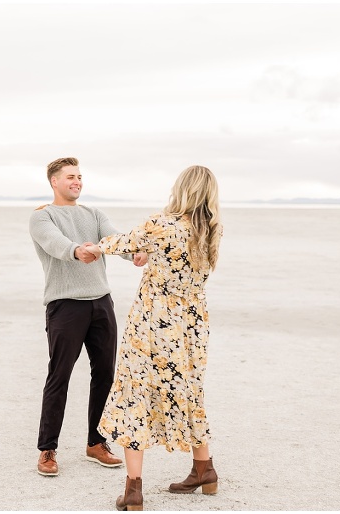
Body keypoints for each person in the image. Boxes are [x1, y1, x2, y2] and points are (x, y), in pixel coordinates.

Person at [87, 165, 222, 511]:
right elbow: (173, 258)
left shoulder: (161, 224)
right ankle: (204, 469)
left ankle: (133, 489)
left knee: (136, 396)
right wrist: (150, 254)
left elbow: (123, 243)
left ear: (182, 189)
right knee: (189, 391)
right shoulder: (211, 231)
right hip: (192, 326)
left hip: (153, 325)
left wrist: (95, 246)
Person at [29, 156, 148, 477]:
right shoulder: (42, 217)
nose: (77, 181)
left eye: (79, 176)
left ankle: (96, 443)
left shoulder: (93, 214)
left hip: (101, 303)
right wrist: (76, 250)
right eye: (70, 177)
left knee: (106, 375)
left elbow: (113, 239)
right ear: (54, 181)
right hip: (65, 305)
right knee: (59, 376)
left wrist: (133, 251)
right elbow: (57, 245)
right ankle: (47, 450)